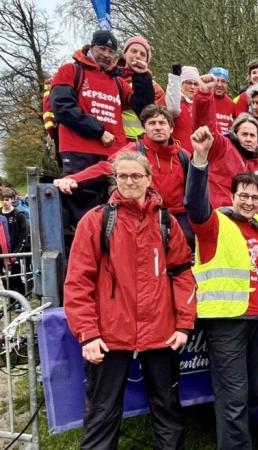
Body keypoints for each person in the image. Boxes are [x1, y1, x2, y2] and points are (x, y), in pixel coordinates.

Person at [64, 150, 196, 450]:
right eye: (122, 175)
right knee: (102, 413)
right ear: (114, 178)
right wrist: (88, 334)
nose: (129, 181)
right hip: (111, 333)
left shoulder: (166, 222)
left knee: (167, 410)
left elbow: (183, 274)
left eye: (136, 175)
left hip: (161, 332)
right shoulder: (96, 221)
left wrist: (184, 324)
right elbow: (77, 282)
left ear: (149, 179)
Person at [186, 126, 258, 450]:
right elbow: (194, 205)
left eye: (256, 197)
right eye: (244, 195)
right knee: (234, 397)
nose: (249, 201)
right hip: (227, 323)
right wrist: (199, 158)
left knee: (252, 392)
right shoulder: (215, 223)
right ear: (232, 196)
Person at [50, 30, 155, 224]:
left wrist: (142, 77)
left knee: (117, 208)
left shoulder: (117, 81)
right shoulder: (71, 70)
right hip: (78, 150)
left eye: (111, 52)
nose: (106, 55)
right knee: (82, 212)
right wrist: (99, 131)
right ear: (91, 47)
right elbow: (62, 108)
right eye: (102, 49)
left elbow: (143, 107)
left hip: (113, 155)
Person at [53, 104, 194, 248]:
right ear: (144, 128)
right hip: (144, 214)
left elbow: (198, 190)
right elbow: (105, 167)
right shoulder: (134, 151)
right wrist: (74, 179)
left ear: (171, 129)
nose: (157, 127)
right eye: (152, 123)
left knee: (188, 241)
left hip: (177, 217)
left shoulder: (184, 156)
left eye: (162, 123)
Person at [118, 35, 166, 141]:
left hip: (139, 144)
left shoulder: (155, 88)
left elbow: (159, 119)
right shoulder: (110, 78)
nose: (137, 56)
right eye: (134, 51)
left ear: (147, 60)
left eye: (142, 54)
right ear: (125, 54)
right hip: (110, 141)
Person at [166, 65, 200, 153]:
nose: (192, 87)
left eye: (195, 84)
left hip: (198, 156)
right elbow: (173, 108)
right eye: (188, 83)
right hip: (179, 155)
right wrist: (175, 78)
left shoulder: (200, 106)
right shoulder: (176, 104)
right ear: (181, 84)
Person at [1, 188, 28, 294]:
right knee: (4, 278)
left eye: (7, 199)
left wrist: (16, 253)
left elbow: (23, 236)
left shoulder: (19, 215)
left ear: (12, 200)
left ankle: (21, 298)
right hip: (2, 253)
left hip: (14, 253)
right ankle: (10, 302)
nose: (5, 202)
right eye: (3, 199)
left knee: (16, 277)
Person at [209, 67, 236, 134]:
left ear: (227, 84)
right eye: (216, 81)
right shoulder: (204, 100)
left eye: (223, 81)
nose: (219, 84)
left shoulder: (231, 103)